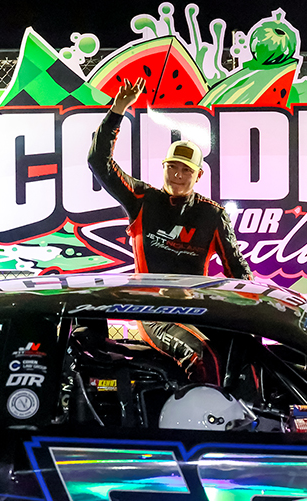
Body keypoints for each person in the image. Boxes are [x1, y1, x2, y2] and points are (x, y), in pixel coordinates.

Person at [88, 77, 253, 383]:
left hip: (197, 308)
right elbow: (99, 162)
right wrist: (118, 109)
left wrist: (256, 310)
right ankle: (200, 428)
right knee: (202, 356)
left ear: (199, 175)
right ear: (163, 166)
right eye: (172, 167)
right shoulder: (142, 199)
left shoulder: (211, 214)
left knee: (249, 348)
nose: (178, 175)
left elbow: (236, 269)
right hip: (154, 310)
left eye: (186, 170)